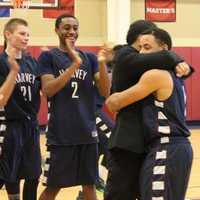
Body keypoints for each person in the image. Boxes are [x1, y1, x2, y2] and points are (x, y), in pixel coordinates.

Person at [103, 20, 192, 200]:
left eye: (146, 47)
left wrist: (113, 96)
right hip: (175, 147)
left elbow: (114, 103)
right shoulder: (175, 75)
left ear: (163, 49)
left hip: (166, 147)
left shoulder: (154, 75)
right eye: (140, 47)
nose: (141, 53)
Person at [38, 14, 110, 200]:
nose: (71, 32)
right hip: (61, 135)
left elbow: (104, 91)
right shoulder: (48, 57)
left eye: (75, 28)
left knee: (89, 186)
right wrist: (74, 65)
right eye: (67, 28)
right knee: (53, 188)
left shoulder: (90, 58)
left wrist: (102, 64)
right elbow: (48, 90)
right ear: (56, 30)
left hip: (87, 132)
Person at [0, 18, 42, 200]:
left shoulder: (32, 62)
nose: (26, 38)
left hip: (31, 125)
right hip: (9, 125)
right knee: (9, 174)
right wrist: (13, 72)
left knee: (33, 174)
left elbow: (41, 89)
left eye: (28, 35)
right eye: (22, 34)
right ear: (8, 34)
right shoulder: (1, 62)